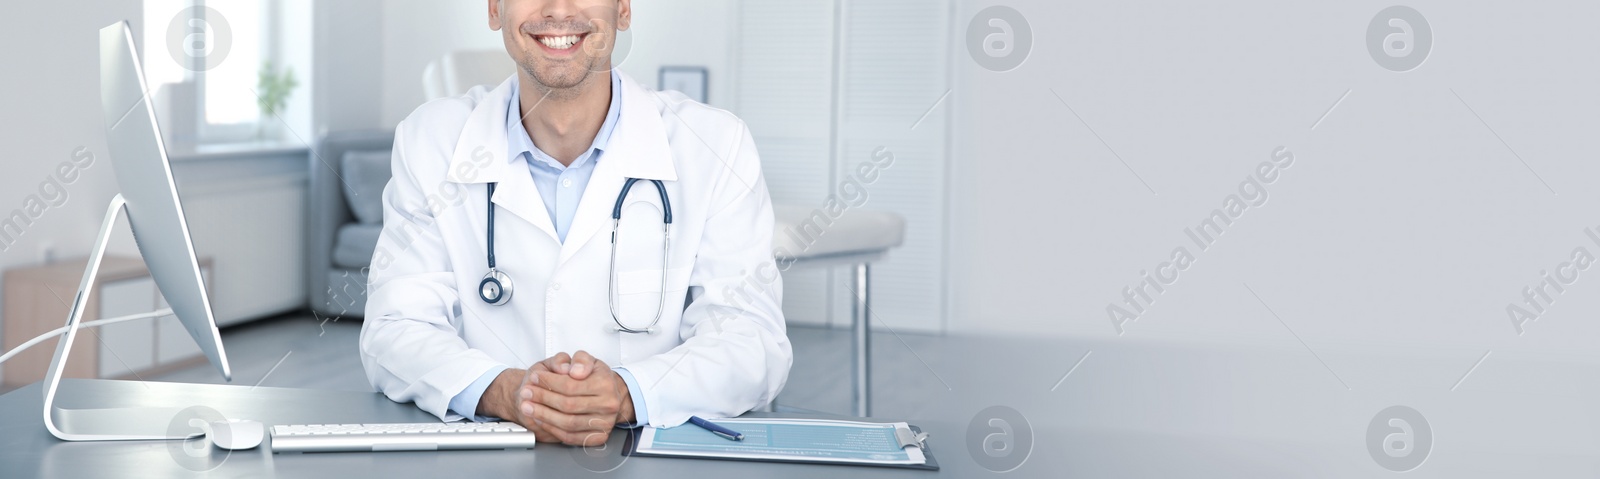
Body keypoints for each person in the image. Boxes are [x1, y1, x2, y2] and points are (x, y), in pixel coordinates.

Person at [360, 0, 791, 446]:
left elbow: (751, 339)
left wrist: (628, 393)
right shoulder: (430, 140)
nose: (559, 8)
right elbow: (395, 327)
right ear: (495, 11)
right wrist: (502, 391)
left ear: (623, 10)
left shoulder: (716, 144)